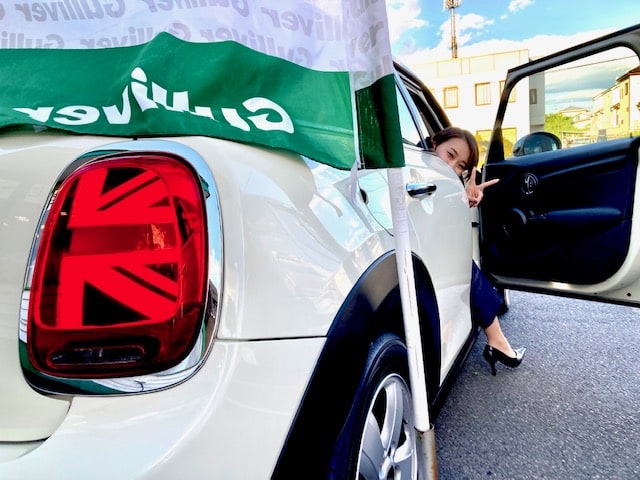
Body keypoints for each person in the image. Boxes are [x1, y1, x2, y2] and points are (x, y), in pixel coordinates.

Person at [431, 126, 526, 376]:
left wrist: (465, 199)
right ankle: (497, 341)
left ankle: (496, 340)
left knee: (464, 265)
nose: (453, 167)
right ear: (433, 144)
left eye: (461, 166)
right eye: (450, 155)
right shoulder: (417, 170)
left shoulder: (441, 181)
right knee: (464, 264)